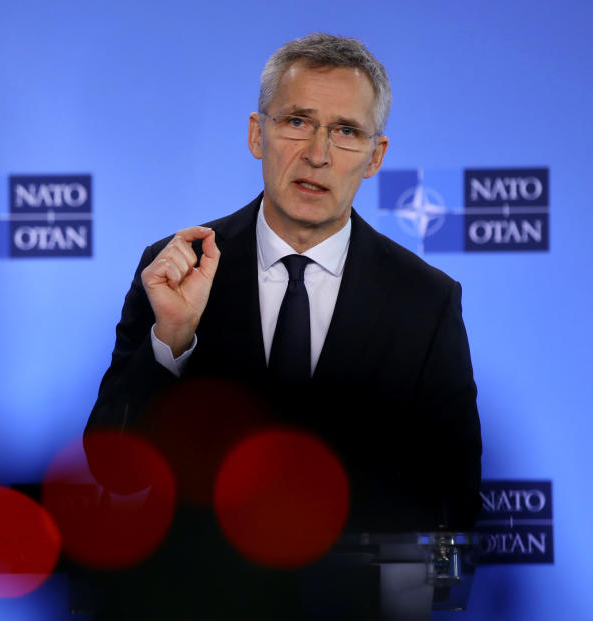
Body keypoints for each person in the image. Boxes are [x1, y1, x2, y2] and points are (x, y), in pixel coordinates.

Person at [87, 33, 482, 534]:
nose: (318, 154)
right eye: (298, 122)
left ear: (375, 156)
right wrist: (171, 340)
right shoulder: (177, 268)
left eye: (345, 131)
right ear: (257, 134)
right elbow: (113, 469)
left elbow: (455, 499)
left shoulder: (425, 300)